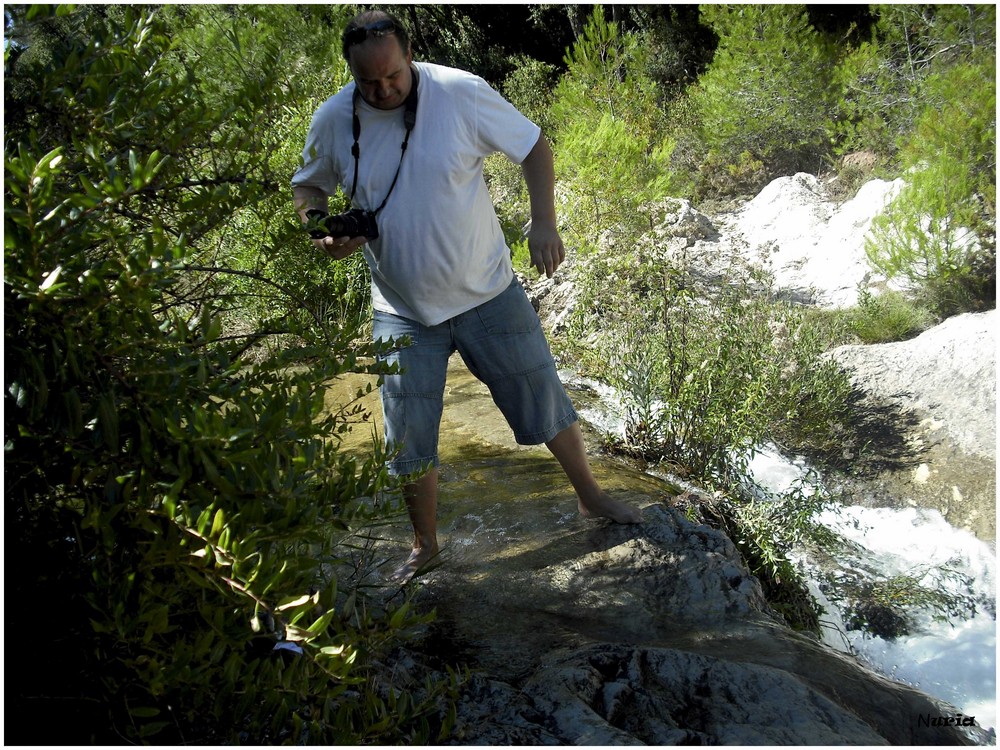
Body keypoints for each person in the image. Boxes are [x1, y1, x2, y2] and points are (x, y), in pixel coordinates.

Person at [292, 10, 642, 582]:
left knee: (542, 396)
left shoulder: (458, 92)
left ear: (410, 57)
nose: (383, 91)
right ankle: (424, 545)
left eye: (393, 77)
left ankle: (591, 497)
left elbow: (534, 147)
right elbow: (309, 187)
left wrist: (543, 223)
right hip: (402, 312)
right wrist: (319, 228)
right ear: (351, 73)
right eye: (369, 83)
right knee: (408, 438)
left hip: (488, 290)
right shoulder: (333, 118)